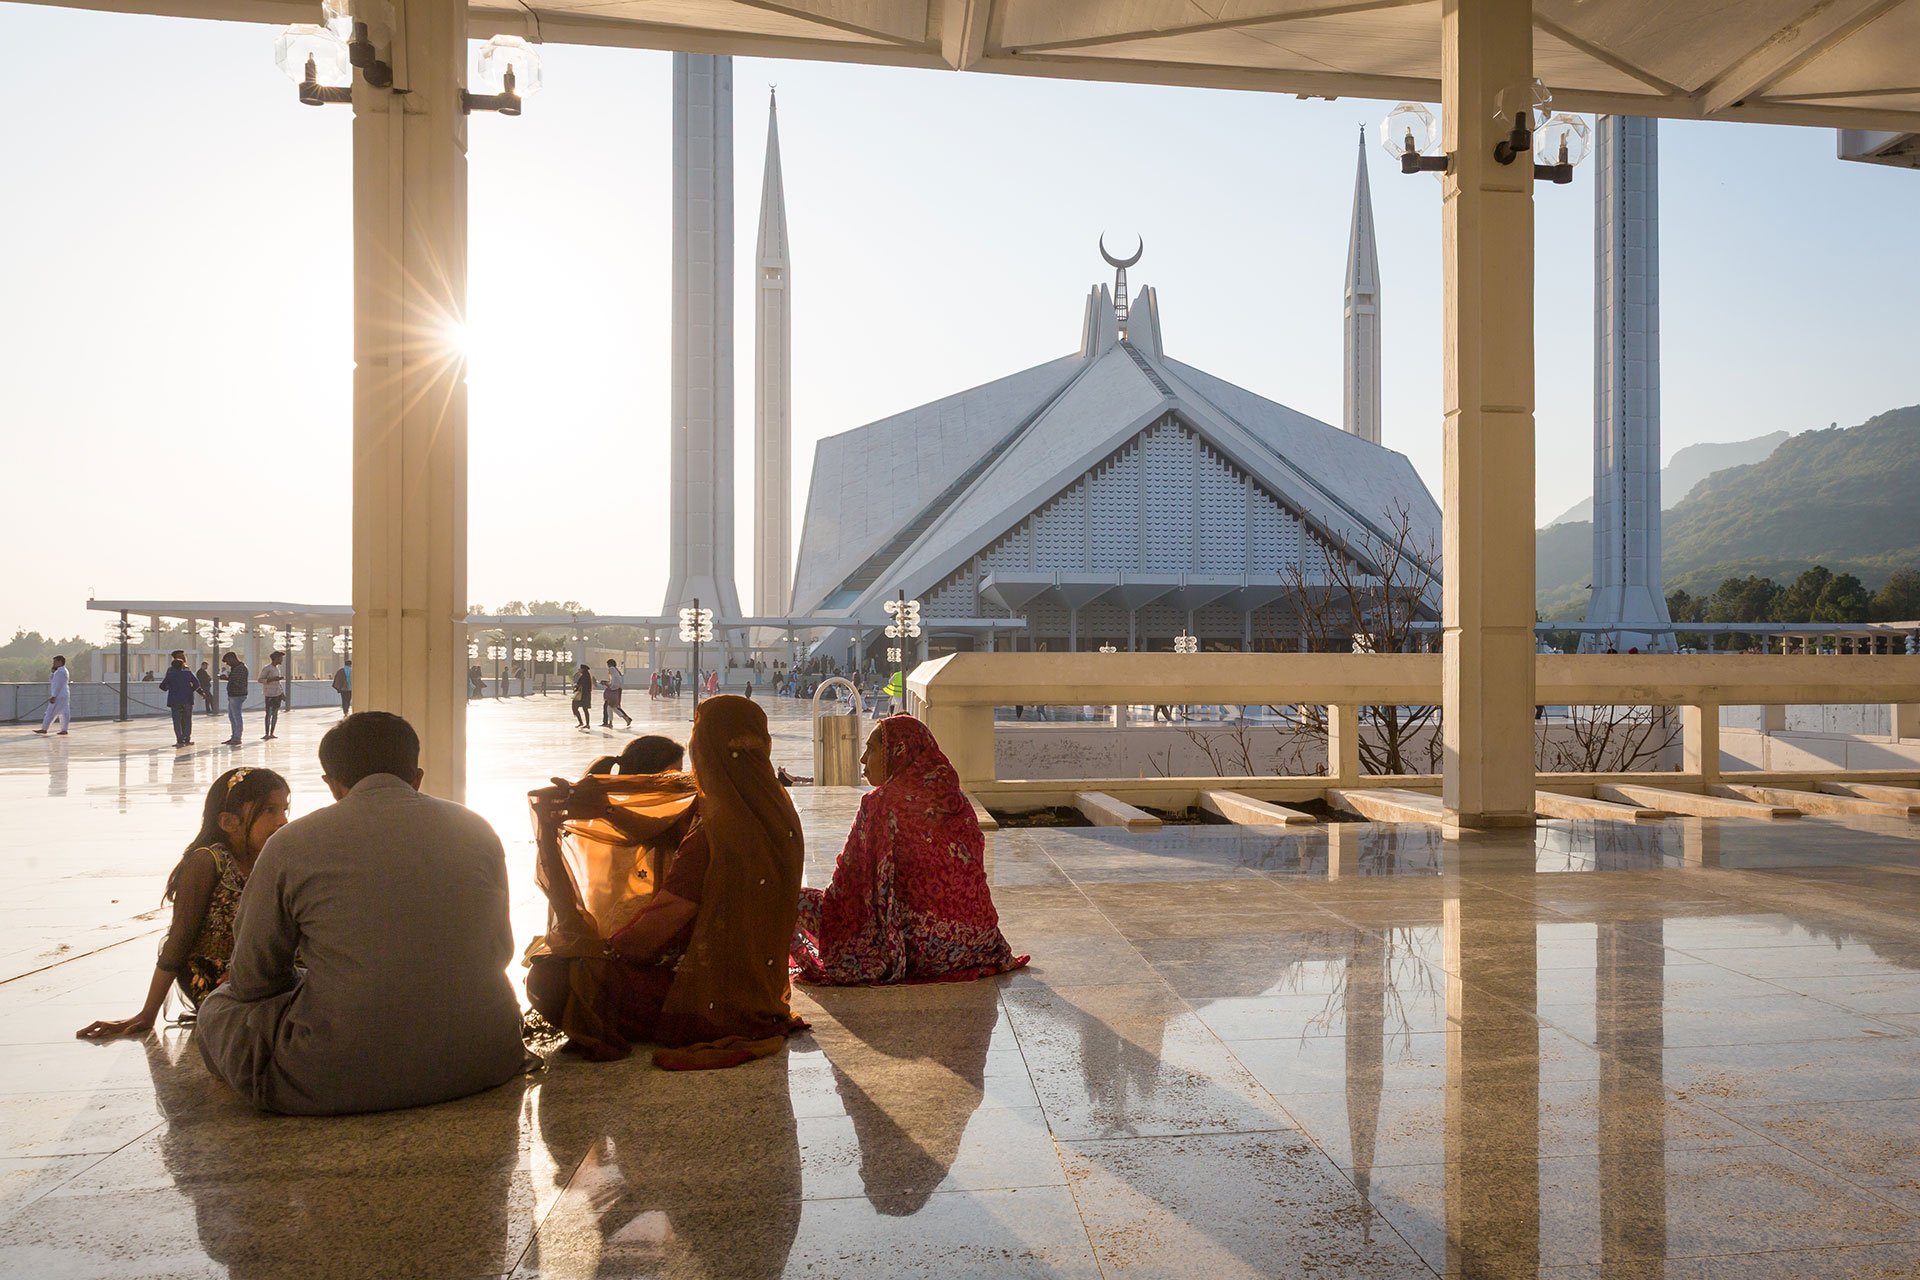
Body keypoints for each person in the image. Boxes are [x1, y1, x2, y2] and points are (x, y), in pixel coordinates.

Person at [196, 712, 526, 1115]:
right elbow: (501, 949)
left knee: (219, 1008)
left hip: (333, 1078)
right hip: (488, 1057)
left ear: (333, 785)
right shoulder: (476, 827)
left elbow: (251, 980)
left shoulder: (291, 844)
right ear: (417, 776)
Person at [526, 696, 807, 1068]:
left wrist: (603, 949)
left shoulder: (714, 831)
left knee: (550, 976)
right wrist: (603, 807)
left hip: (706, 998)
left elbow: (656, 930)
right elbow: (661, 822)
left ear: (703, 748)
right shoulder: (775, 811)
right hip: (758, 991)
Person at [791, 716, 1027, 986]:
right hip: (977, 943)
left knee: (792, 902)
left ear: (897, 752)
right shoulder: (956, 800)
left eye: (871, 749)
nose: (862, 759)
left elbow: (847, 887)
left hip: (918, 953)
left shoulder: (880, 804)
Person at [76, 767, 291, 1038]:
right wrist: (147, 1014)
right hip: (216, 976)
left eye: (284, 809)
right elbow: (180, 938)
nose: (282, 820)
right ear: (228, 821)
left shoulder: (271, 858)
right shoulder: (207, 860)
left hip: (258, 967)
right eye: (269, 811)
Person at [159, 652, 199, 747]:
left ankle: (179, 740)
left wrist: (170, 688)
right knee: (187, 720)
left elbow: (162, 686)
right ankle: (187, 739)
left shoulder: (170, 673)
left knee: (177, 721)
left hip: (174, 700)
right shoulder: (188, 672)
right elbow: (197, 684)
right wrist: (190, 691)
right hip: (187, 699)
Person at [32, 655, 70, 736]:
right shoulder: (62, 671)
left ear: (60, 662)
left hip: (59, 694)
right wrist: (52, 672)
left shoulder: (60, 672)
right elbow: (52, 680)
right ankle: (64, 729)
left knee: (50, 711)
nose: (54, 663)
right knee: (64, 712)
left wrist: (54, 696)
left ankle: (44, 728)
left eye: (55, 662)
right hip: (63, 694)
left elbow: (57, 685)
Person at [220, 652, 248, 746]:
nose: (227, 664)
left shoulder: (241, 668)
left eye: (227, 661)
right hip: (233, 695)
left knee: (236, 717)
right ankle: (234, 736)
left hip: (238, 695)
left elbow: (238, 682)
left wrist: (229, 679)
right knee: (232, 717)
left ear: (232, 658)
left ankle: (237, 738)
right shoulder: (235, 668)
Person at [259, 650, 286, 740]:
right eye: (281, 658)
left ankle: (272, 732)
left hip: (277, 693)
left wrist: (282, 693)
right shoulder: (267, 668)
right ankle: (267, 733)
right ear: (276, 658)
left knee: (275, 714)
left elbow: (278, 683)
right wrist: (271, 680)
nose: (282, 660)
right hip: (269, 694)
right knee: (269, 713)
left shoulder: (276, 669)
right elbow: (260, 679)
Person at [602, 659, 632, 728]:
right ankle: (624, 719)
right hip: (616, 691)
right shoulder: (616, 671)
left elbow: (613, 682)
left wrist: (608, 685)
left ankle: (623, 719)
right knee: (612, 707)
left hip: (613, 691)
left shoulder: (612, 669)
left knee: (610, 707)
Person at [572, 663, 593, 729]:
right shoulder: (585, 676)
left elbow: (582, 685)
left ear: (583, 669)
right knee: (584, 709)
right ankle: (585, 723)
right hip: (584, 695)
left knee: (578, 708)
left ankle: (584, 723)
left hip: (583, 696)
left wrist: (576, 686)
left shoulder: (584, 677)